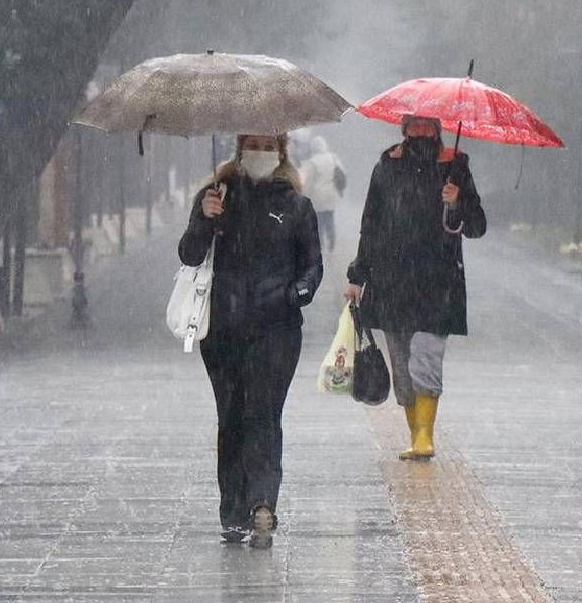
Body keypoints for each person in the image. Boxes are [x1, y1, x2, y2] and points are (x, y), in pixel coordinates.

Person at [178, 134, 323, 549]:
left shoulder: (296, 206)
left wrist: (295, 294)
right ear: (239, 149)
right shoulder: (217, 196)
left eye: (267, 144)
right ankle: (232, 510)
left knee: (263, 413)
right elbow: (189, 254)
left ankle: (262, 503)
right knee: (232, 418)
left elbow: (313, 266)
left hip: (276, 331)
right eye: (252, 143)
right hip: (222, 329)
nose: (259, 151)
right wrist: (205, 218)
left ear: (280, 151)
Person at [344, 115, 486, 461]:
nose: (421, 132)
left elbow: (477, 226)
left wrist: (456, 202)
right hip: (392, 282)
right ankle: (413, 432)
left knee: (426, 357)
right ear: (403, 128)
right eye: (414, 125)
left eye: (428, 126)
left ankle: (425, 435)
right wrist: (357, 275)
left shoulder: (455, 165)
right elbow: (371, 225)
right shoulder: (386, 165)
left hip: (438, 284)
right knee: (402, 366)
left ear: (438, 129)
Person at [298, 135, 346, 251]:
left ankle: (321, 245)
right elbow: (341, 173)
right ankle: (331, 242)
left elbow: (308, 181)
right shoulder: (333, 158)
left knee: (319, 221)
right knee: (329, 218)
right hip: (331, 194)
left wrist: (304, 195)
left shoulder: (312, 162)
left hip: (317, 196)